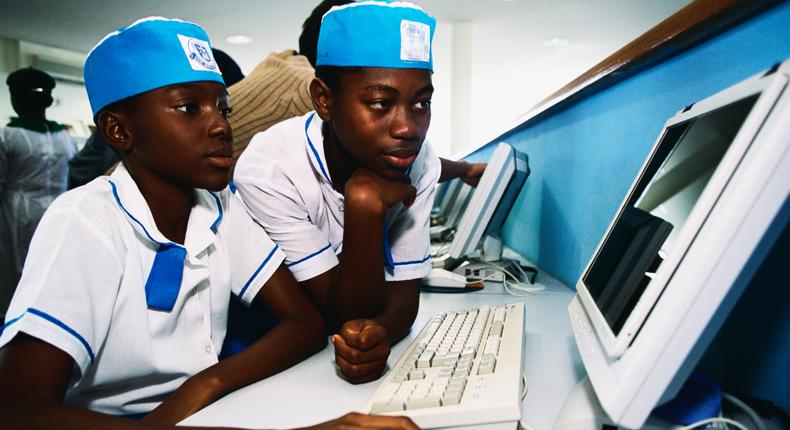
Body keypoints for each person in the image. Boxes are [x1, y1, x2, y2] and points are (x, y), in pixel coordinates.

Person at [0, 17, 416, 430]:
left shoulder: (219, 207)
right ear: (119, 130)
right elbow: (20, 412)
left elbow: (305, 324)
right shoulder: (85, 221)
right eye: (188, 108)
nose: (220, 125)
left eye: (222, 107)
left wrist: (203, 386)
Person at [234, 0, 442, 384]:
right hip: (267, 350)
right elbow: (337, 313)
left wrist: (380, 332)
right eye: (381, 103)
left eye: (422, 103)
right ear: (324, 100)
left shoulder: (423, 161)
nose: (408, 128)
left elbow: (403, 298)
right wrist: (363, 205)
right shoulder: (271, 168)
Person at [228, 0, 485, 185]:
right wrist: (464, 169)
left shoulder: (283, 62)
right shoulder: (301, 89)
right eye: (380, 103)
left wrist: (463, 169)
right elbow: (396, 153)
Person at [0, 67, 78, 317]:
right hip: (48, 210)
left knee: (21, 271)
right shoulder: (65, 137)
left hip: (19, 212)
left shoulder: (8, 136)